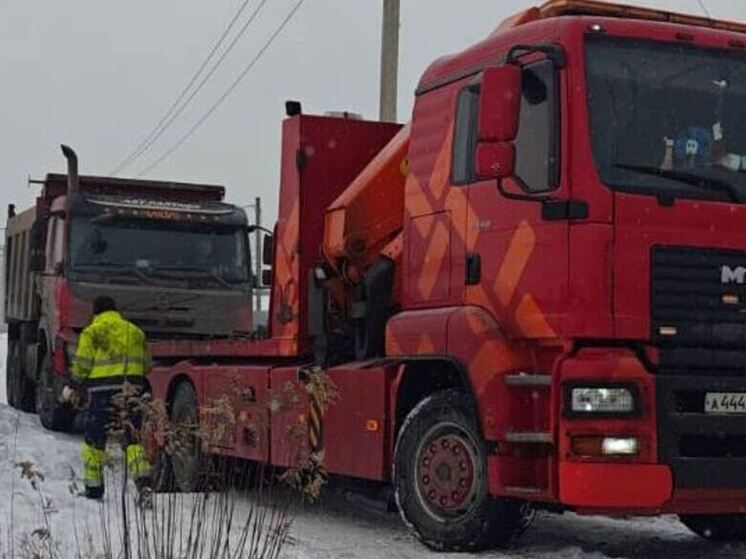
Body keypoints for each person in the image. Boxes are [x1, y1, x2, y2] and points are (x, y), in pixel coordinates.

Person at [63, 296, 152, 502]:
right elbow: (147, 365)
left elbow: (83, 365)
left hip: (103, 392)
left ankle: (94, 489)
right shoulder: (135, 332)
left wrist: (74, 384)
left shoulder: (92, 332)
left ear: (95, 313)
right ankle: (144, 485)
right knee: (132, 439)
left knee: (95, 440)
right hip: (132, 391)